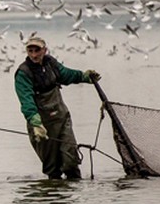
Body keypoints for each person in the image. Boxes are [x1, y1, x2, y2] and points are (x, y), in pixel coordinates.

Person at [14, 36, 100, 180]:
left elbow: (67, 75)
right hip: (42, 125)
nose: (34, 54)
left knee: (71, 162)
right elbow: (26, 100)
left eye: (37, 50)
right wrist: (35, 123)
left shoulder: (51, 64)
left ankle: (73, 198)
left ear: (45, 50)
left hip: (62, 118)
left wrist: (84, 77)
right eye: (30, 51)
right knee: (52, 169)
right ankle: (54, 198)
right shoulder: (23, 73)